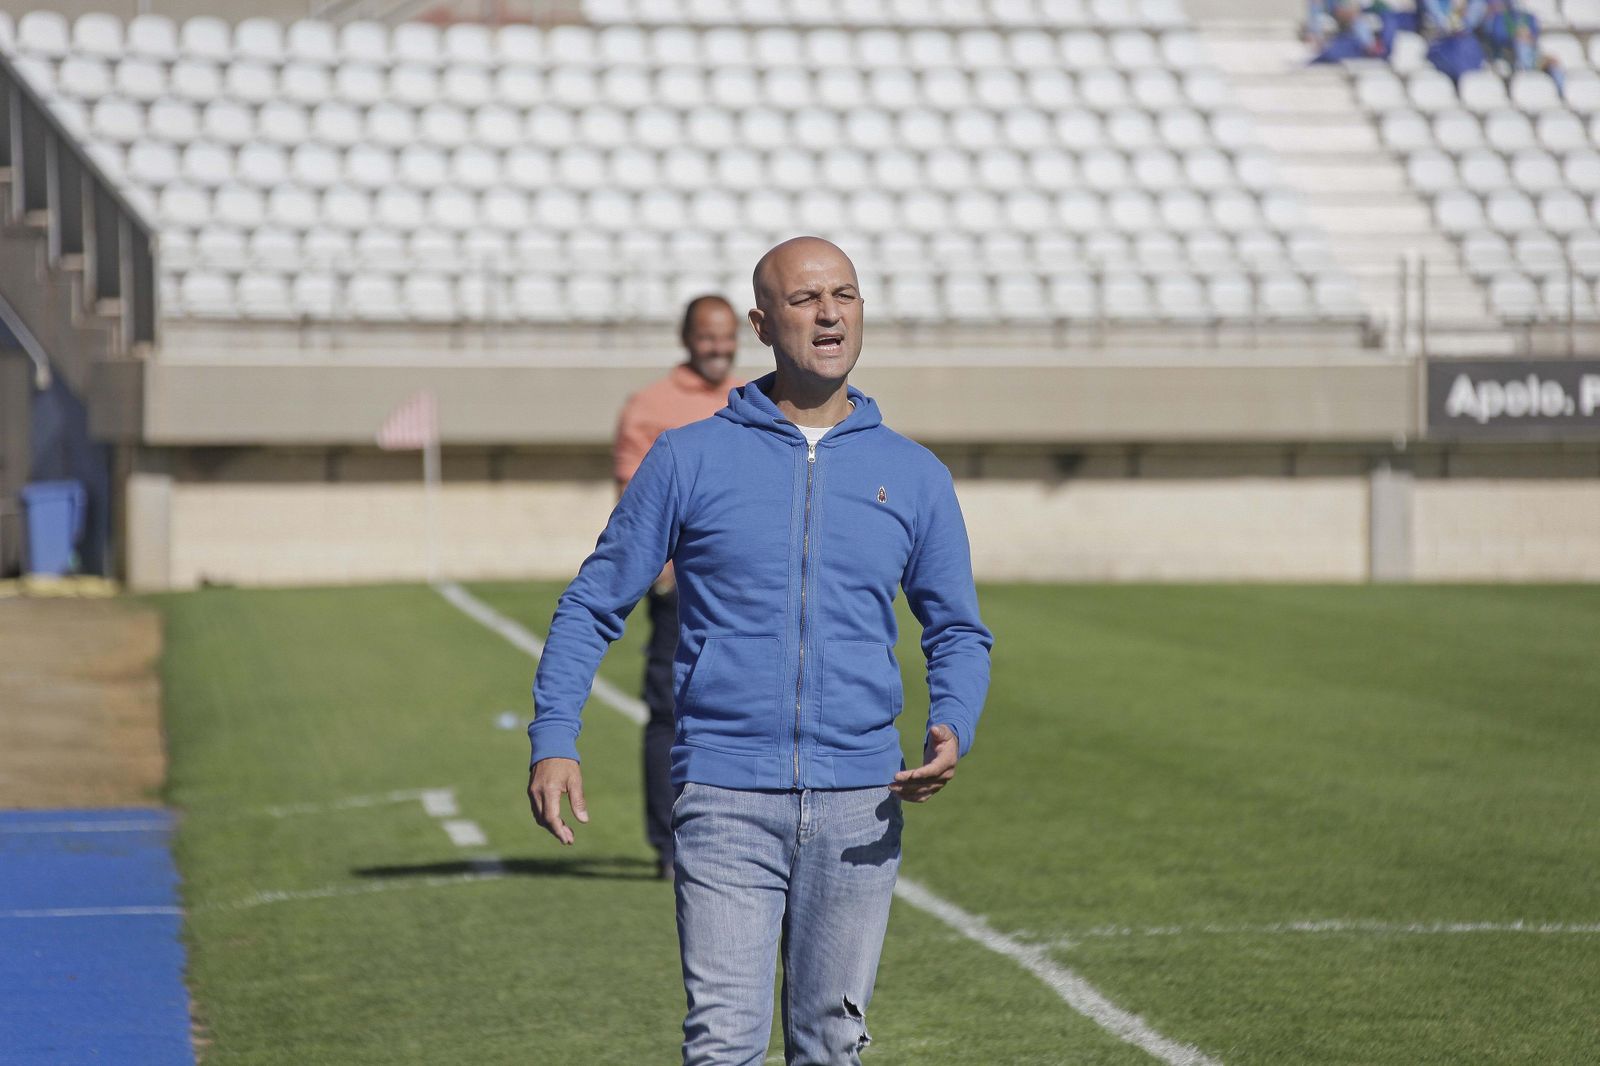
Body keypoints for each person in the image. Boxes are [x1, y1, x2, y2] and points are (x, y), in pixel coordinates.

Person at [526, 236, 994, 1065]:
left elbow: (955, 626)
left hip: (862, 801)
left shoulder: (914, 474)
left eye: (844, 295)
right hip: (722, 797)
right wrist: (555, 737)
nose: (828, 313)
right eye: (806, 298)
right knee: (722, 1045)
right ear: (761, 320)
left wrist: (953, 719)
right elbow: (592, 603)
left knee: (831, 1043)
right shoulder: (686, 456)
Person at [613, 294, 746, 880]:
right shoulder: (650, 405)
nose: (718, 348)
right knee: (669, 711)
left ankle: (738, 833)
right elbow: (635, 498)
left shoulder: (755, 397)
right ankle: (668, 845)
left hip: (746, 587)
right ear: (686, 338)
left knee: (742, 707)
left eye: (726, 337)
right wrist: (662, 571)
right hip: (681, 588)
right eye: (707, 337)